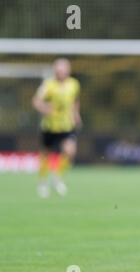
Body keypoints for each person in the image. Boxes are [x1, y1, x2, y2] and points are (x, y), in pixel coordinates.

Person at [32, 58, 81, 198]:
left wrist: (76, 114)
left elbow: (76, 100)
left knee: (70, 151)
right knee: (45, 155)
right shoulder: (48, 85)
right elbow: (36, 101)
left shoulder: (74, 84)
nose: (61, 73)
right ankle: (42, 182)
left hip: (66, 125)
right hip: (50, 126)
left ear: (68, 71)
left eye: (63, 70)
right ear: (55, 71)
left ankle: (57, 176)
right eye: (58, 70)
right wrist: (45, 108)